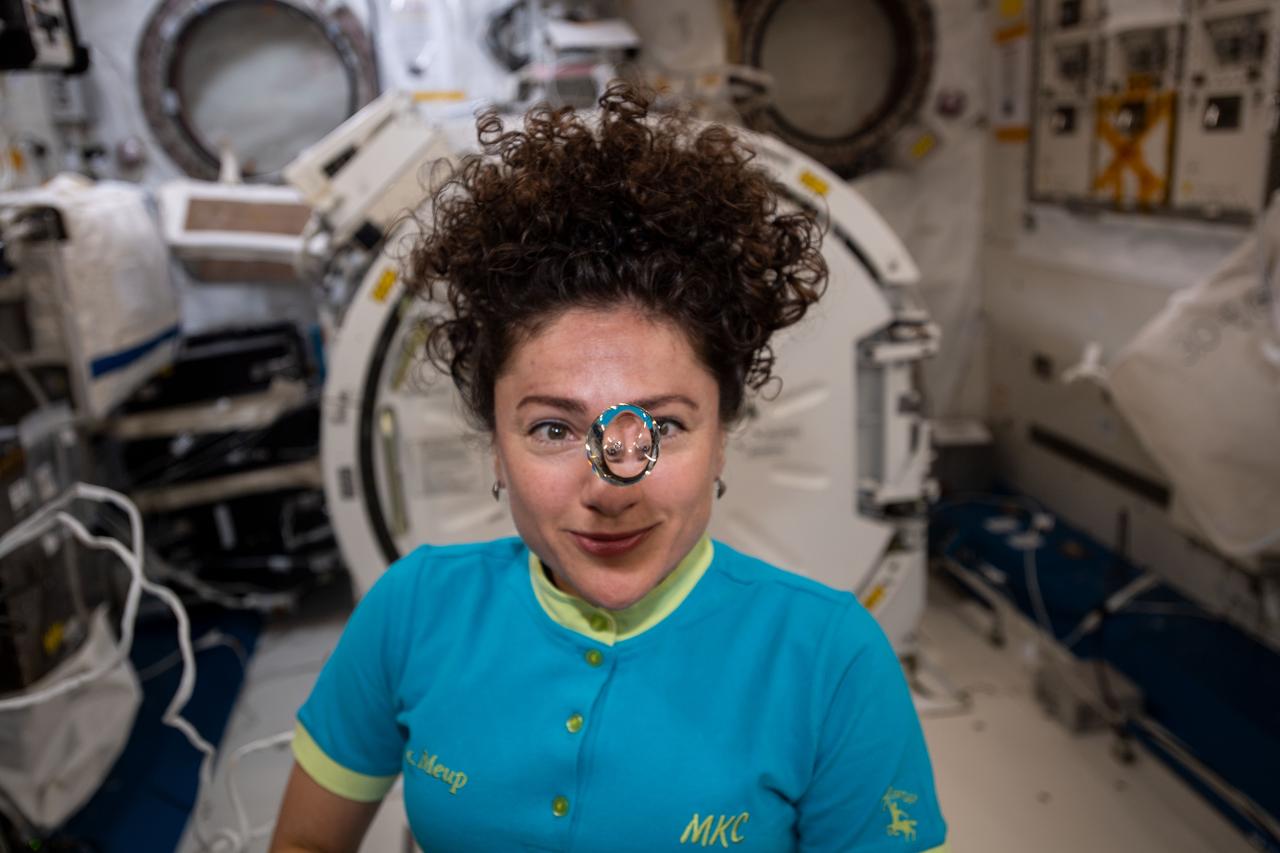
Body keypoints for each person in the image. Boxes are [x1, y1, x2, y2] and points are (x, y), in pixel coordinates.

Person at [269, 83, 947, 853]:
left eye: (663, 425)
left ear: (722, 438)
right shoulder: (411, 610)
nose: (609, 489)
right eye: (554, 428)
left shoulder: (833, 663)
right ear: (495, 447)